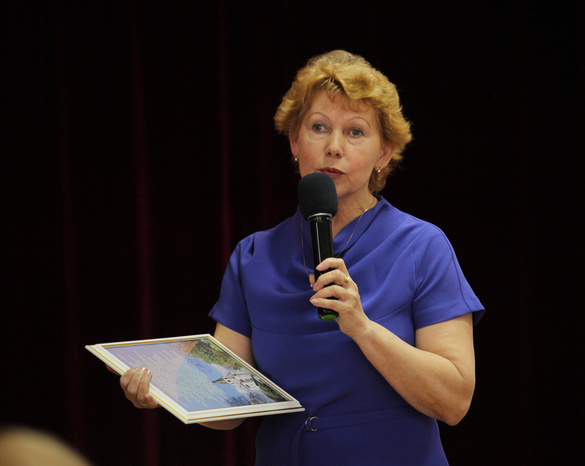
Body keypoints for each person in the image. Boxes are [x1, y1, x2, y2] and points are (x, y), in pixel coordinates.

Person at [119, 50, 484, 465]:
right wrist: (166, 390)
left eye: (355, 132)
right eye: (319, 127)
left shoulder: (422, 246)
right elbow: (227, 407)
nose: (333, 147)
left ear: (384, 153)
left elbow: (454, 402)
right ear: (295, 142)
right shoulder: (254, 255)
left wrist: (362, 328)